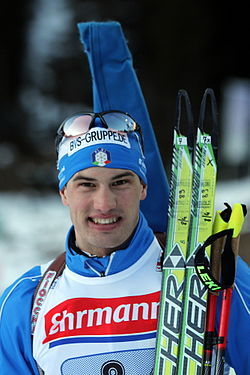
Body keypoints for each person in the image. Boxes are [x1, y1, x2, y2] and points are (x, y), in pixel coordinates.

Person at [0, 111, 164, 374]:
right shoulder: (24, 301)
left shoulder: (210, 276)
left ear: (143, 187)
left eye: (120, 182)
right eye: (86, 185)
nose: (104, 204)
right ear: (64, 192)